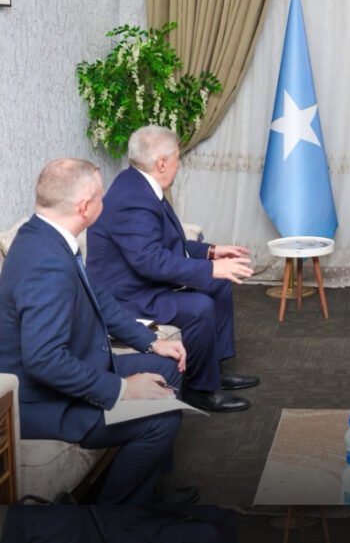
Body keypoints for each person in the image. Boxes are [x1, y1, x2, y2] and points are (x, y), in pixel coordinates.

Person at [0, 158, 189, 505]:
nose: (104, 203)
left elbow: (99, 299)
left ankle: (149, 489)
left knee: (165, 367)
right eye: (101, 197)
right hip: (38, 401)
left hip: (70, 366)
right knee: (162, 418)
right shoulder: (47, 264)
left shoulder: (44, 234)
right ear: (84, 207)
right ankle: (111, 519)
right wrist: (123, 388)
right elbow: (45, 361)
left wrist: (152, 342)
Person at [86, 125, 258, 414]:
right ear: (162, 163)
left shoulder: (138, 184)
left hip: (141, 284)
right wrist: (210, 268)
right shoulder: (133, 200)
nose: (180, 164)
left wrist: (211, 252)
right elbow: (150, 261)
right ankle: (200, 392)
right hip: (126, 297)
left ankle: (213, 369)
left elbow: (166, 242)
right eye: (178, 158)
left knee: (218, 285)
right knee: (199, 306)